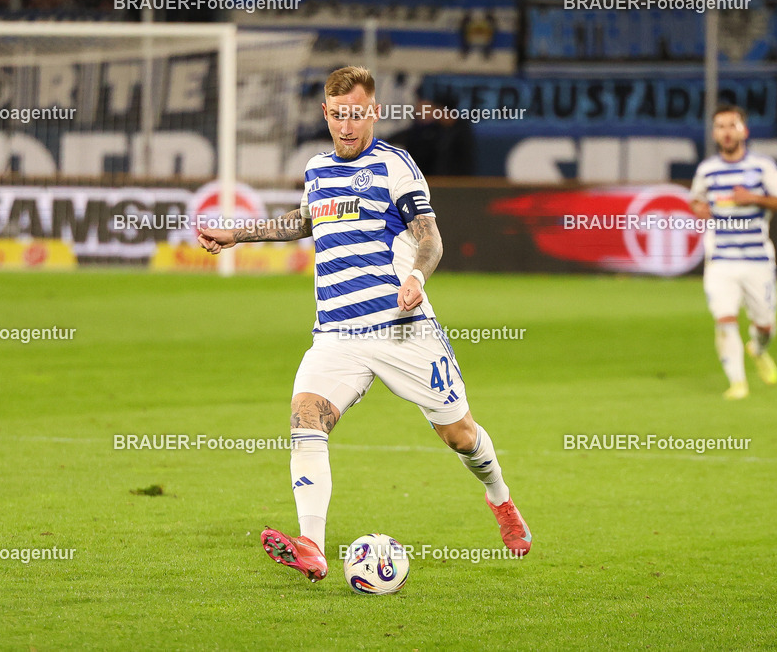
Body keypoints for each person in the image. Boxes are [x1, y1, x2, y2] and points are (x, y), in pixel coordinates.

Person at [198, 65, 530, 582]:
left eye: (357, 115)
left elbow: (430, 238)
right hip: (336, 333)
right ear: (325, 113)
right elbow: (305, 221)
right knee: (305, 418)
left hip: (401, 327)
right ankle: (311, 545)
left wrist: (417, 277)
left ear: (373, 111)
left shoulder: (395, 165)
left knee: (461, 437)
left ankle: (500, 499)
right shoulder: (316, 168)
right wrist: (238, 234)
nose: (347, 126)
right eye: (337, 115)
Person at [690, 104, 777, 400]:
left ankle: (758, 348)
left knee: (765, 325)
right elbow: (695, 201)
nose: (726, 132)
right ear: (714, 133)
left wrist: (753, 198)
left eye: (731, 125)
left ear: (744, 130)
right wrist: (701, 209)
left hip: (757, 259)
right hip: (721, 259)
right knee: (724, 318)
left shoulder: (763, 167)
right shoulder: (707, 170)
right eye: (720, 126)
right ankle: (737, 383)